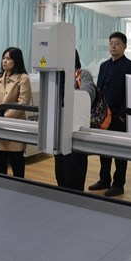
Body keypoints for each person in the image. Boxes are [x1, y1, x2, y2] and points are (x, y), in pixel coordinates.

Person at [88, 32, 131, 197]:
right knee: (103, 150)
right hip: (103, 115)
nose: (113, 46)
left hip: (118, 116)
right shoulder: (104, 65)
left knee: (119, 152)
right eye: (111, 43)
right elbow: (99, 90)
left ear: (124, 46)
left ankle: (118, 184)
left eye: (117, 43)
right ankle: (104, 179)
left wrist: (122, 114)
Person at [0, 47, 32, 178]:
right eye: (3, 58)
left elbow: (22, 103)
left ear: (16, 61)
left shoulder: (23, 78)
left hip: (14, 126)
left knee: (17, 164)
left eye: (8, 58)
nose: (4, 61)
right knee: (0, 164)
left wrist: (4, 117)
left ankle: (19, 188)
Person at [55, 49, 95, 191]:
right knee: (60, 173)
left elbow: (88, 95)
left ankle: (75, 199)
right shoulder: (56, 75)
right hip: (59, 131)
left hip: (76, 131)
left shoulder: (82, 74)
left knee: (74, 174)